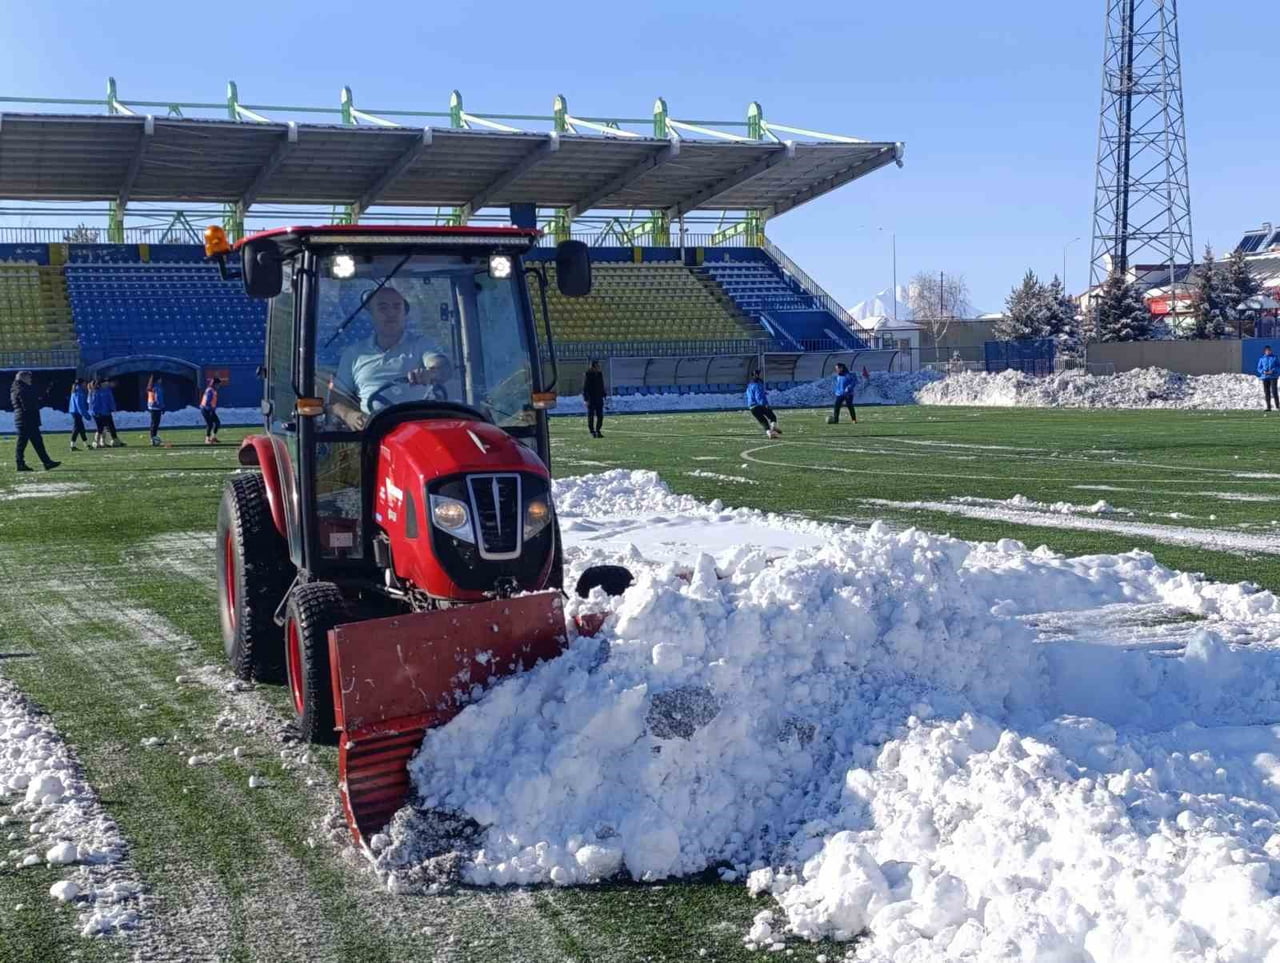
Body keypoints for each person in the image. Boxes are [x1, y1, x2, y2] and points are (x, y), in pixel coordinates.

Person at [330, 284, 444, 431]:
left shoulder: (421, 345)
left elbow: (442, 366)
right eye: (383, 308)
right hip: (373, 434)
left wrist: (432, 372)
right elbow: (336, 401)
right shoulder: (354, 354)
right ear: (371, 314)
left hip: (420, 430)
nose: (391, 313)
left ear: (405, 313)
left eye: (397, 307)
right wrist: (349, 415)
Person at [10, 371, 59, 472]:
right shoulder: (22, 389)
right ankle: (23, 463)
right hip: (27, 419)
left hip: (25, 419)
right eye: (29, 378)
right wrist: (38, 402)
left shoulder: (18, 388)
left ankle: (46, 462)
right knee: (25, 443)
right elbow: (27, 405)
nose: (30, 380)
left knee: (35, 442)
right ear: (23, 378)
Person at [745, 373, 781, 439]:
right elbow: (758, 396)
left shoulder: (749, 387)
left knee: (763, 421)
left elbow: (749, 396)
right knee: (772, 416)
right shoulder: (758, 385)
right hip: (759, 405)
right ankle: (774, 427)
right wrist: (765, 404)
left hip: (752, 407)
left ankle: (769, 433)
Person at [89, 377, 122, 448]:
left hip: (104, 412)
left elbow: (110, 400)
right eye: (105, 382)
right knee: (102, 428)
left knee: (108, 427)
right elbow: (93, 403)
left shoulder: (104, 390)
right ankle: (97, 442)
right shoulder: (96, 391)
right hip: (100, 413)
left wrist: (112, 408)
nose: (107, 383)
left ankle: (109, 441)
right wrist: (95, 412)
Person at [582, 360, 607, 438]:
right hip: (591, 398)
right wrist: (586, 399)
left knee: (600, 415)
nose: (598, 367)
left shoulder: (600, 374)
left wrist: (604, 394)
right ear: (593, 367)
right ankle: (592, 431)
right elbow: (585, 388)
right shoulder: (588, 375)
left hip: (599, 398)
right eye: (597, 366)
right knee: (591, 415)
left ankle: (598, 430)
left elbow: (601, 385)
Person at [68, 378, 90, 451]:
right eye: (84, 383)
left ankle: (85, 444)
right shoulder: (79, 392)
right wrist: (86, 415)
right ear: (82, 383)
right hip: (77, 412)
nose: (86, 384)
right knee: (77, 428)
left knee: (80, 429)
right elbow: (80, 405)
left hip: (74, 411)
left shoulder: (75, 390)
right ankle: (72, 446)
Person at [200, 377, 222, 444]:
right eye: (218, 384)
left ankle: (213, 437)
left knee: (217, 423)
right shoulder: (210, 390)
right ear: (214, 384)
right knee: (210, 424)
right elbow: (207, 401)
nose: (219, 385)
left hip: (209, 409)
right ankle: (207, 439)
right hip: (205, 409)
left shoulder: (213, 390)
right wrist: (210, 410)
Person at [146, 375, 165, 447]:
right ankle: (153, 439)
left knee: (153, 423)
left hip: (151, 407)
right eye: (160, 379)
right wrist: (162, 407)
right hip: (156, 407)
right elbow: (158, 398)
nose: (161, 380)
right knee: (155, 424)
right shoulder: (157, 387)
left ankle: (152, 438)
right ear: (158, 379)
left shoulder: (151, 386)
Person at [1260, 346, 1280, 413]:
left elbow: (1278, 366)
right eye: (1267, 351)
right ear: (1265, 351)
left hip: (1273, 376)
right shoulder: (1262, 358)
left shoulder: (1275, 357)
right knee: (1267, 392)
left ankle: (1277, 406)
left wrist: (1273, 371)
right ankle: (1268, 407)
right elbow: (1259, 368)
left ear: (1271, 351)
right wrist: (1263, 371)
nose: (1268, 352)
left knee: (1274, 391)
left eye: (1269, 350)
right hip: (1265, 377)